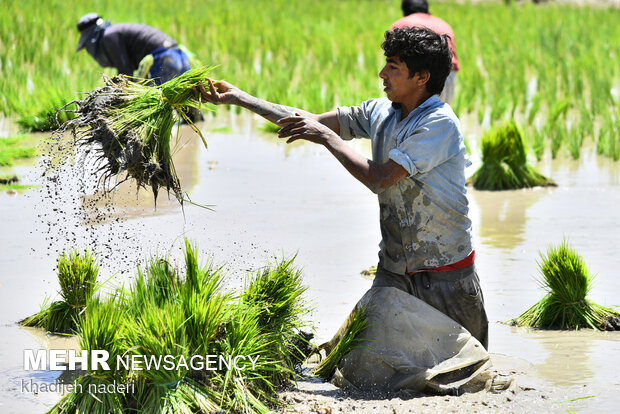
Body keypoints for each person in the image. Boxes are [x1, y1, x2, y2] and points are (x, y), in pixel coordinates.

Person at [195, 26, 488, 349]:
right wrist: (238, 98)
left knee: (462, 367)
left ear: (422, 77)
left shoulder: (438, 123)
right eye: (386, 64)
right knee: (357, 361)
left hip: (444, 275)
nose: (382, 74)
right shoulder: (381, 113)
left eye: (393, 67)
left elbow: (380, 178)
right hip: (394, 271)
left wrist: (327, 138)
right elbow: (308, 122)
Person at [75, 13, 190, 86]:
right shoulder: (115, 32)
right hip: (180, 56)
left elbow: (126, 73)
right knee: (192, 114)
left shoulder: (109, 36)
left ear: (91, 39)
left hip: (163, 60)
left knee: (151, 107)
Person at [392, 0, 459, 104]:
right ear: (429, 11)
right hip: (447, 75)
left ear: (404, 13)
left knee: (410, 118)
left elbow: (394, 59)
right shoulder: (444, 25)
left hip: (416, 76)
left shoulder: (401, 24)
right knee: (441, 116)